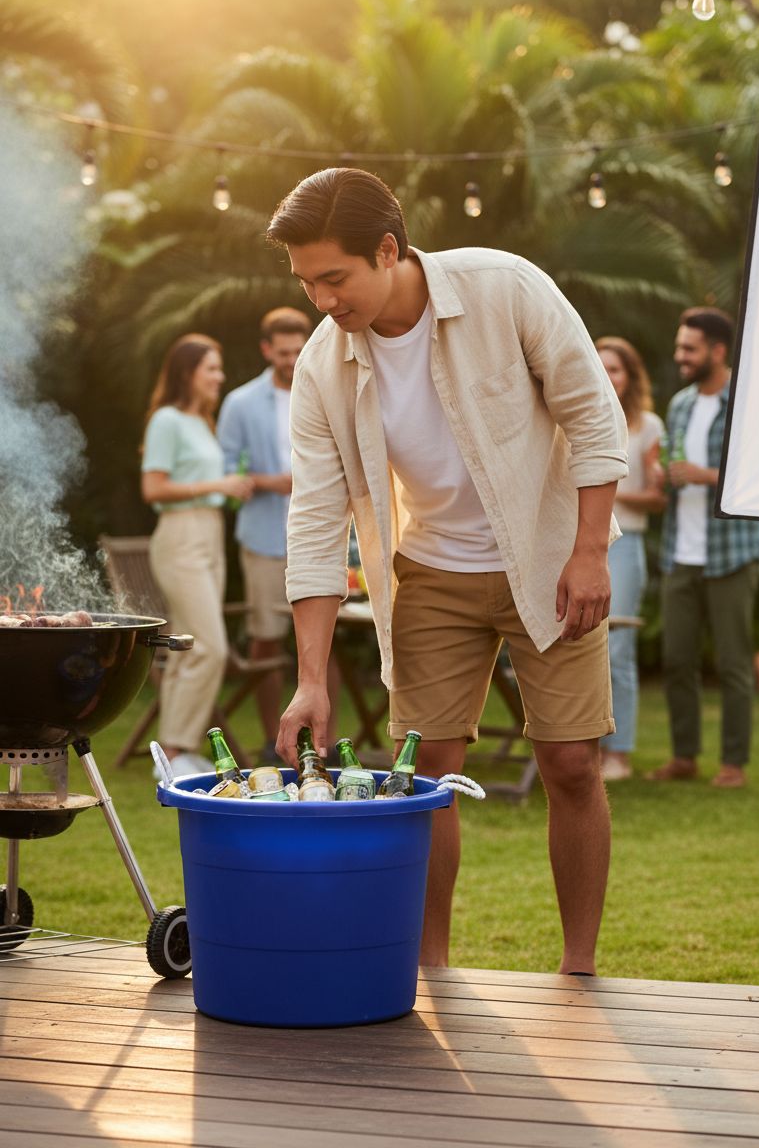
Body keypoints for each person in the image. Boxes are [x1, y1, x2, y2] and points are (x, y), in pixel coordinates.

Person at [269, 167, 629, 974]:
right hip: (430, 571)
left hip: (550, 558)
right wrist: (311, 680)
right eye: (306, 282)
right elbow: (316, 520)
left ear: (387, 250)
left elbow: (593, 417)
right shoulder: (323, 366)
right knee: (424, 774)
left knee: (572, 764)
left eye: (335, 277)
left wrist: (590, 552)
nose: (321, 300)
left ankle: (578, 972)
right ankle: (430, 972)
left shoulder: (506, 287)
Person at [647, 309, 759, 789]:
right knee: (677, 660)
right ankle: (684, 757)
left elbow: (758, 477)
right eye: (680, 347)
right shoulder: (679, 405)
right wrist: (664, 475)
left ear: (718, 351)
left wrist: (704, 476)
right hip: (681, 551)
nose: (680, 356)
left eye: (689, 348)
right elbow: (674, 464)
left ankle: (734, 762)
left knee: (733, 664)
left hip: (730, 553)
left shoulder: (747, 403)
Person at [217, 308, 341, 760]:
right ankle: (276, 741)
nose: (292, 359)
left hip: (324, 539)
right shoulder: (240, 403)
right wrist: (277, 482)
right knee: (266, 639)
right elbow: (226, 473)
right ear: (267, 350)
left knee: (327, 645)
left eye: (298, 350)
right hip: (265, 540)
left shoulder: (328, 388)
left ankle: (326, 742)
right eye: (283, 352)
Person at [141, 334, 253, 777]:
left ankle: (169, 754)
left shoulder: (202, 422)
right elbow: (153, 488)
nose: (219, 377)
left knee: (188, 647)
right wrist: (218, 485)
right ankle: (178, 749)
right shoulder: (166, 420)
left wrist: (228, 489)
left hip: (209, 531)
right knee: (209, 647)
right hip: (180, 535)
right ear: (188, 373)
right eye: (212, 368)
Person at [595, 337, 666, 781]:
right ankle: (585, 748)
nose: (607, 376)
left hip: (625, 545)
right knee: (580, 647)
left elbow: (658, 498)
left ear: (630, 377)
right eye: (600, 367)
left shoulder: (648, 426)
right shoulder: (577, 416)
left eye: (615, 369)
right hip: (577, 543)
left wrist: (603, 491)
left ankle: (618, 753)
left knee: (617, 649)